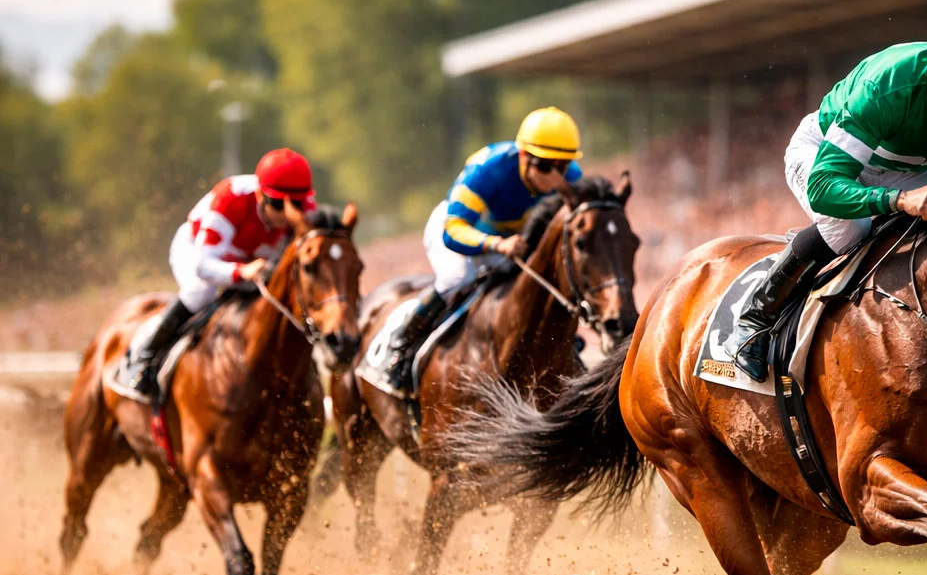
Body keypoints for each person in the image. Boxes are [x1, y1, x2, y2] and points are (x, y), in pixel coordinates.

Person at [724, 7, 927, 381]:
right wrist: (898, 200)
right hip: (828, 157)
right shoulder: (886, 85)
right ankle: (756, 315)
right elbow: (823, 187)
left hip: (909, 168)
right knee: (850, 230)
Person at [364, 106, 583, 396]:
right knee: (457, 278)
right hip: (457, 228)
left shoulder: (573, 179)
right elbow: (453, 231)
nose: (555, 178)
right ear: (522, 156)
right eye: (544, 166)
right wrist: (497, 244)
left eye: (562, 166)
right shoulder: (490, 170)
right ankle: (402, 343)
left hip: (508, 240)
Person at [116, 148, 316, 402]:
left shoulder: (305, 212)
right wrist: (242, 271)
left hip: (252, 261)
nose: (288, 214)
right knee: (201, 293)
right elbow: (203, 266)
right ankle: (144, 356)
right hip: (199, 253)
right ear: (259, 194)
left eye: (296, 205)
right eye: (278, 205)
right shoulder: (231, 200)